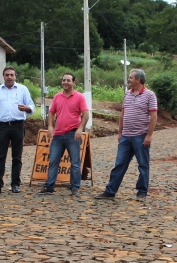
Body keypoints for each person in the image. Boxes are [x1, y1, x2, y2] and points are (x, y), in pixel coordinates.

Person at [95, 69, 157, 200]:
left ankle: (142, 192)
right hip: (126, 137)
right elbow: (123, 114)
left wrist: (149, 135)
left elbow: (153, 117)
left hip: (140, 136)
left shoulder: (150, 95)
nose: (129, 80)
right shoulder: (127, 94)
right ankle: (110, 191)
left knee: (143, 165)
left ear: (138, 80)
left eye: (131, 78)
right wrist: (120, 132)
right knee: (119, 164)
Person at [0, 66, 35, 194]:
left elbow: (32, 106)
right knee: (0, 156)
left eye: (12, 75)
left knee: (17, 156)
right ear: (3, 76)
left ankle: (15, 184)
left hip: (18, 125)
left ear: (15, 76)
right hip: (3, 126)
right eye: (7, 75)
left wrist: (27, 109)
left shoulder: (23, 89)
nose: (9, 77)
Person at [37, 73, 89, 196]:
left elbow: (86, 114)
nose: (65, 82)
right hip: (58, 135)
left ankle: (74, 187)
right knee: (53, 161)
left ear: (73, 83)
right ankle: (49, 186)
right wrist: (50, 126)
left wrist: (80, 129)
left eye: (68, 80)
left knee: (75, 163)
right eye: (64, 80)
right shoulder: (57, 96)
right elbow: (51, 113)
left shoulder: (79, 97)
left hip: (73, 134)